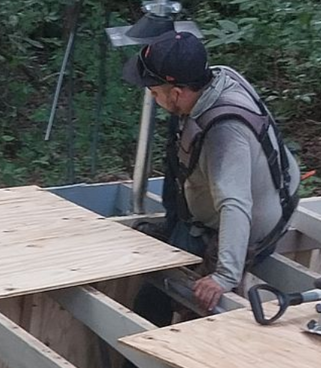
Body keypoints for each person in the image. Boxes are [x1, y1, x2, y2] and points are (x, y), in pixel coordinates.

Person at [125, 31, 301, 314]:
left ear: (177, 93)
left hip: (250, 224)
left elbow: (235, 204)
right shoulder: (211, 81)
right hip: (238, 200)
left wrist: (224, 275)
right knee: (176, 131)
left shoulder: (225, 133)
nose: (152, 98)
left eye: (155, 92)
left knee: (156, 301)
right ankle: (176, 228)